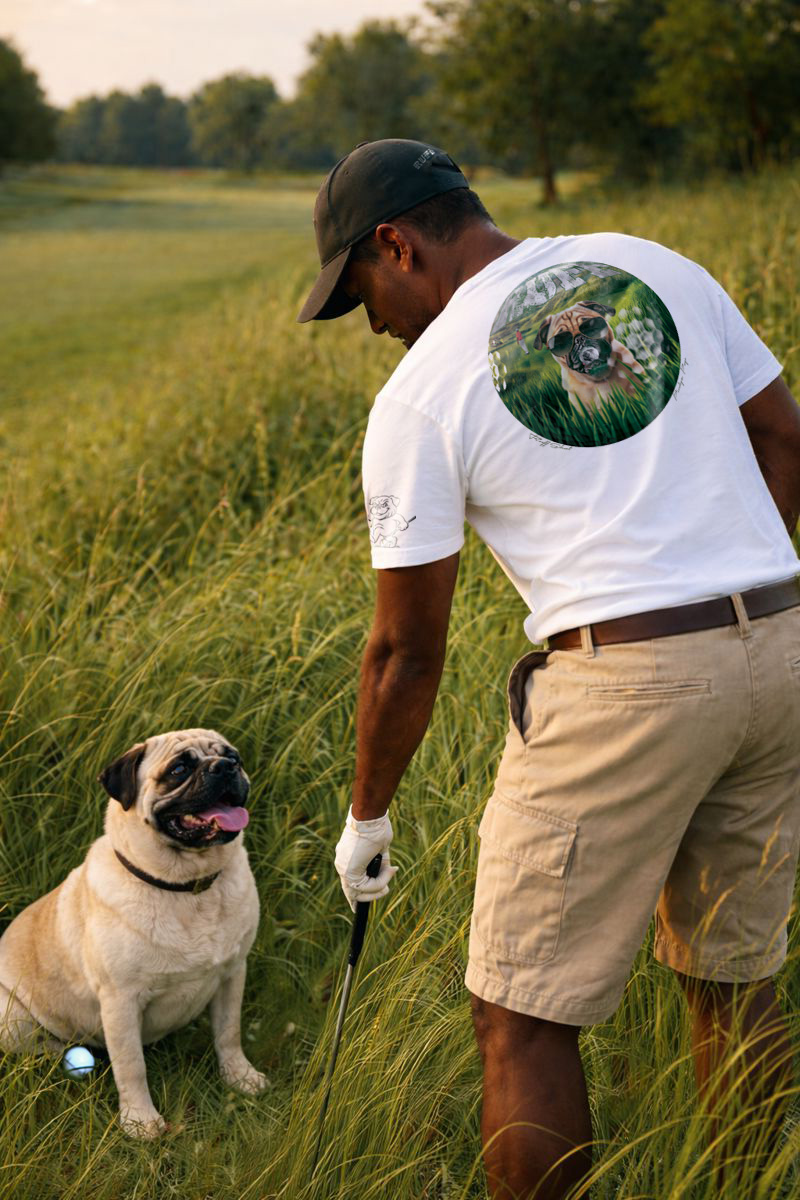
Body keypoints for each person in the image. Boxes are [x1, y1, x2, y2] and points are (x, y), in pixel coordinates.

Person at [297, 139, 800, 1200]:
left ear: (395, 244)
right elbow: (784, 442)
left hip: (625, 687)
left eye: (360, 293)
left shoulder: (421, 394)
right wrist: (724, 591)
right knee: (734, 977)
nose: (374, 324)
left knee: (519, 1016)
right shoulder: (656, 266)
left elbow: (403, 651)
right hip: (780, 646)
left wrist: (366, 819)